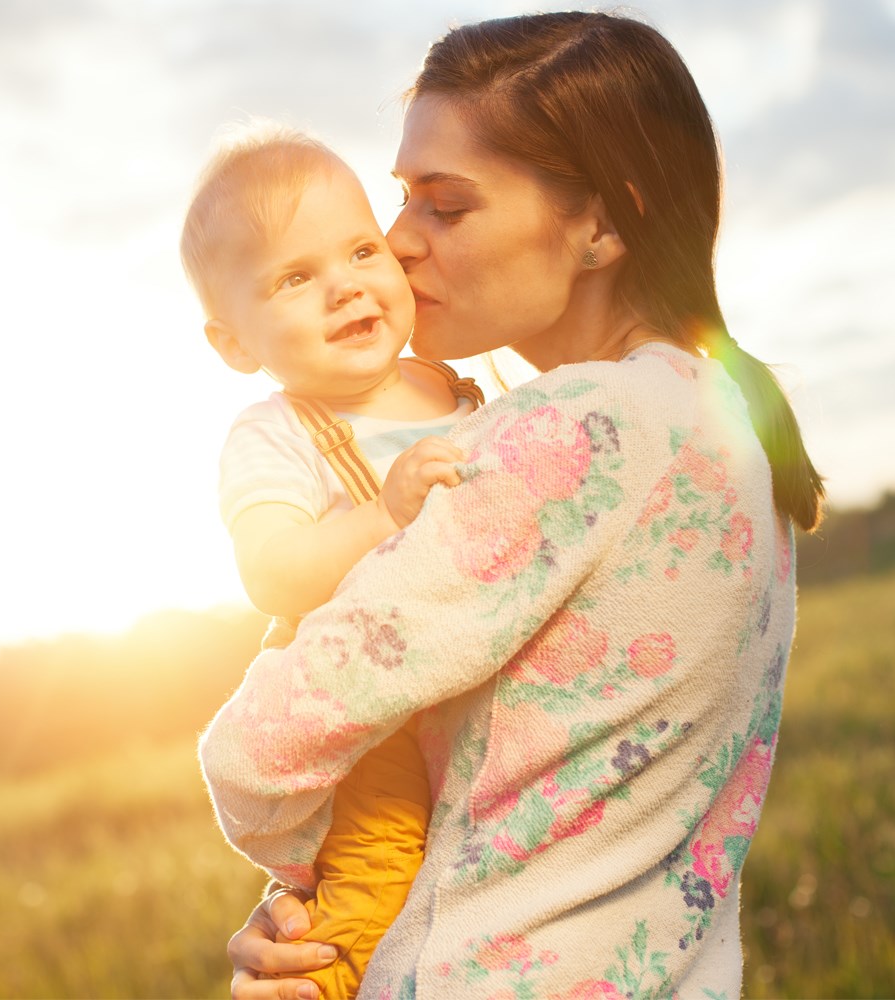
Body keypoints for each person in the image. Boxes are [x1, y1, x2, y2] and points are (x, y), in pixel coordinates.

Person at [200, 11, 825, 1000]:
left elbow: (253, 750)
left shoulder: (572, 432)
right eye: (402, 199)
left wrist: (314, 887)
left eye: (445, 207)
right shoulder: (722, 421)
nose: (396, 244)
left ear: (602, 226)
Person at [180, 124, 483, 999]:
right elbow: (271, 571)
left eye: (359, 249)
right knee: (381, 867)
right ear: (236, 344)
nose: (343, 285)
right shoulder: (280, 433)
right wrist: (379, 513)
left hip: (471, 672)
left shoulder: (455, 381)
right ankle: (331, 983)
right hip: (368, 713)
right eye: (294, 277)